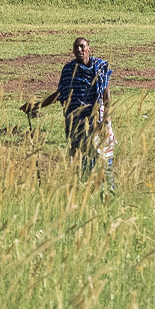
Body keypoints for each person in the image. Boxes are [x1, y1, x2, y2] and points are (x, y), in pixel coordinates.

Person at [22, 37, 115, 194]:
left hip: (97, 121)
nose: (79, 50)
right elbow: (60, 93)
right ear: (73, 51)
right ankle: (86, 193)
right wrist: (36, 106)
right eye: (76, 47)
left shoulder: (100, 67)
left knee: (103, 158)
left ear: (88, 48)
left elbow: (106, 97)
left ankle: (108, 193)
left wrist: (105, 120)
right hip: (75, 122)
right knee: (81, 159)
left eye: (82, 46)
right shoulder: (68, 70)